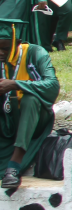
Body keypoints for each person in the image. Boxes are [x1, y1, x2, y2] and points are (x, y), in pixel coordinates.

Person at [0, 18, 58, 191]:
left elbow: (52, 85)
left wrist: (16, 84)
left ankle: (14, 166)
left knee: (30, 98)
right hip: (7, 119)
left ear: (17, 43)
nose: (0, 53)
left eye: (4, 48)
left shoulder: (35, 53)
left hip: (36, 118)